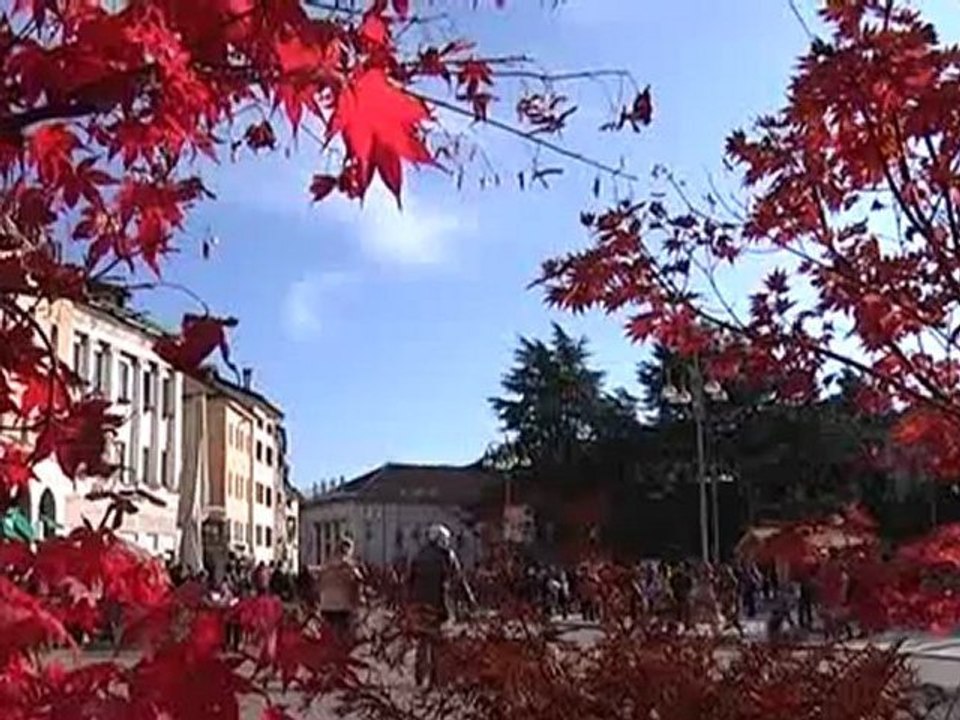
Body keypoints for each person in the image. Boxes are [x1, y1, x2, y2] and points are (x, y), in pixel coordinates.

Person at [408, 523, 476, 688]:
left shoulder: (419, 555)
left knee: (423, 639)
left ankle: (419, 674)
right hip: (437, 603)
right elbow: (459, 579)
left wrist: (410, 599)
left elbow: (409, 579)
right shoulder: (447, 555)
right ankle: (435, 679)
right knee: (438, 642)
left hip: (417, 603)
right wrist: (470, 599)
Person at [316, 537, 364, 647]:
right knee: (347, 632)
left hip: (326, 605)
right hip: (343, 606)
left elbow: (319, 582)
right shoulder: (350, 565)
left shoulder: (327, 564)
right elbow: (360, 579)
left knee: (331, 633)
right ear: (349, 550)